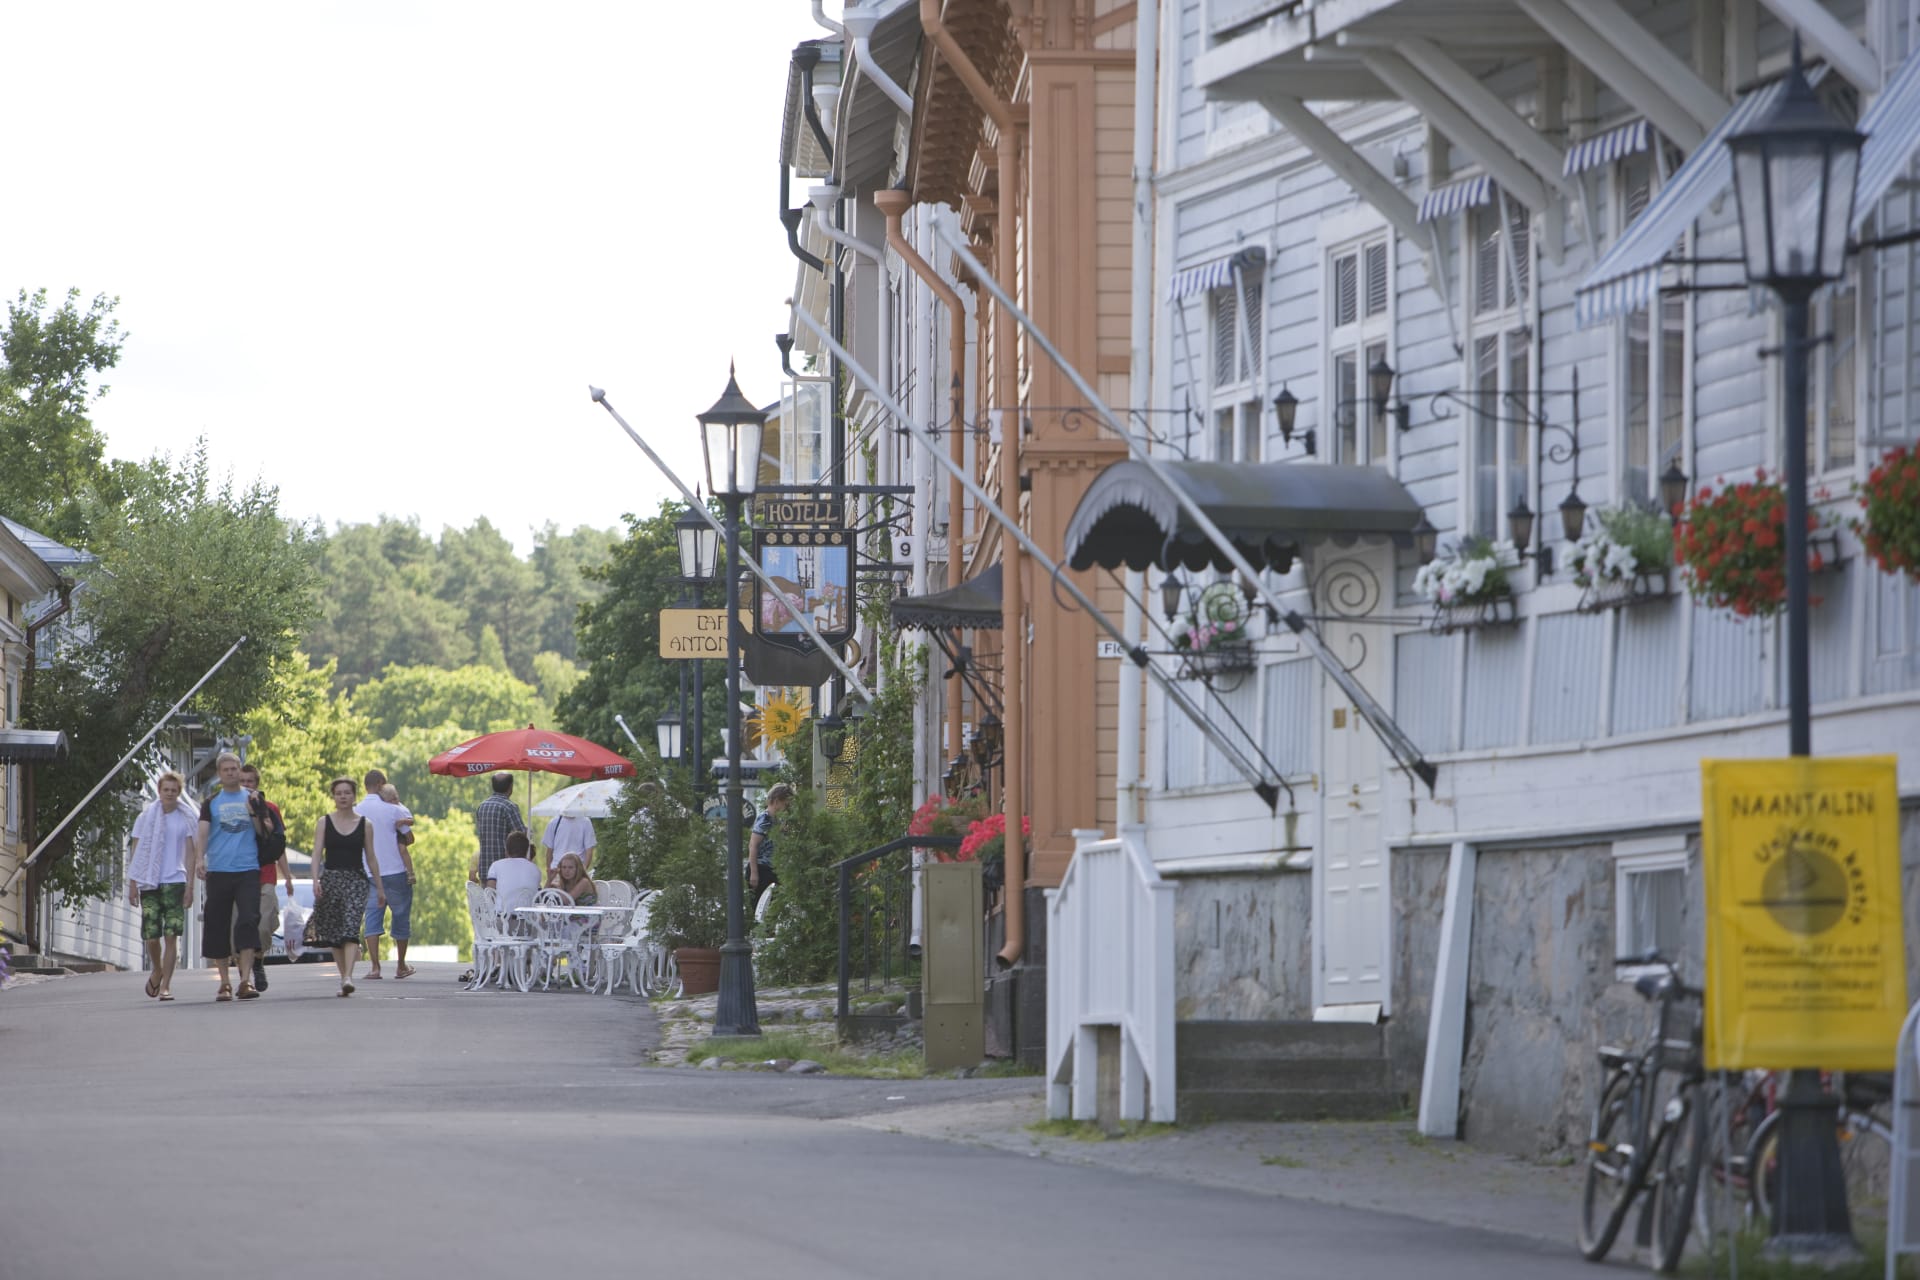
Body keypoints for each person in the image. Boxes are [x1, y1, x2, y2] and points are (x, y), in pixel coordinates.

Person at [193, 752, 265, 1001]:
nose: (232, 773)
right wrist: (200, 859)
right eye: (226, 770)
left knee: (248, 921)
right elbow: (201, 833)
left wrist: (254, 811)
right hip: (220, 870)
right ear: (219, 773)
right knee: (217, 925)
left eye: (235, 769)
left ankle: (245, 981)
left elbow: (263, 831)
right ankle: (224, 982)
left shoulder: (253, 797)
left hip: (247, 869)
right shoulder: (211, 802)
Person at [126, 771, 196, 1001]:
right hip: (149, 882)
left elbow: (190, 853)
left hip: (175, 880)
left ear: (179, 793)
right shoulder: (145, 818)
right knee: (152, 936)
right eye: (166, 790)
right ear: (159, 790)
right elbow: (136, 851)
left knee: (171, 935)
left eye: (174, 791)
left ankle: (166, 985)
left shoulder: (185, 818)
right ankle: (157, 969)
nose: (170, 794)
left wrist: (190, 887)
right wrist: (133, 883)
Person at [309, 777, 381, 996]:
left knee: (350, 928)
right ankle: (344, 978)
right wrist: (315, 880)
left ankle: (348, 976)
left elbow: (371, 858)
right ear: (334, 796)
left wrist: (380, 887)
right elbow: (316, 853)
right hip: (331, 880)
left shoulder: (365, 824)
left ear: (354, 796)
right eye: (339, 793)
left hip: (356, 881)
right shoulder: (324, 822)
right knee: (334, 934)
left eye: (347, 793)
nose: (343, 797)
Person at [237, 763, 295, 994]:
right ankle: (245, 978)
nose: (246, 785)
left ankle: (258, 962)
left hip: (266, 875)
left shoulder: (270, 808)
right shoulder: (230, 808)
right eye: (242, 781)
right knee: (240, 926)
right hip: (238, 875)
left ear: (256, 784)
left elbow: (278, 845)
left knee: (263, 925)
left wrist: (288, 876)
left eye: (250, 781)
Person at [354, 768, 416, 980]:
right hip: (396, 871)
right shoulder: (393, 810)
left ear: (365, 785)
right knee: (400, 916)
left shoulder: (357, 811)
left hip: (369, 872)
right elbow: (410, 839)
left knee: (372, 917)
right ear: (381, 784)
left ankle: (375, 967)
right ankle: (400, 965)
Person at [470, 772, 527, 884]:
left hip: (485, 870)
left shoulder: (482, 806)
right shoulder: (509, 807)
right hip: (505, 871)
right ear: (511, 787)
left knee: (489, 900)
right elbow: (521, 836)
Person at [748, 782, 793, 919]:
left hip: (773, 868)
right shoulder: (765, 819)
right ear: (777, 801)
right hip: (761, 868)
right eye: (786, 803)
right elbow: (753, 845)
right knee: (761, 907)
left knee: (774, 907)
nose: (788, 807)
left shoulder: (777, 820)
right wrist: (754, 873)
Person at [541, 813, 596, 888]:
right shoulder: (554, 822)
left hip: (576, 871)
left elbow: (589, 850)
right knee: (553, 896)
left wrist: (583, 870)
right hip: (557, 870)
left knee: (572, 897)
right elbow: (549, 852)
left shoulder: (585, 821)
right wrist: (550, 874)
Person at [485, 830, 541, 898]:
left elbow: (490, 894)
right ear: (526, 851)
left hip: (502, 908)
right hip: (527, 908)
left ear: (506, 850)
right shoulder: (535, 869)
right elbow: (538, 896)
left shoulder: (496, 866)